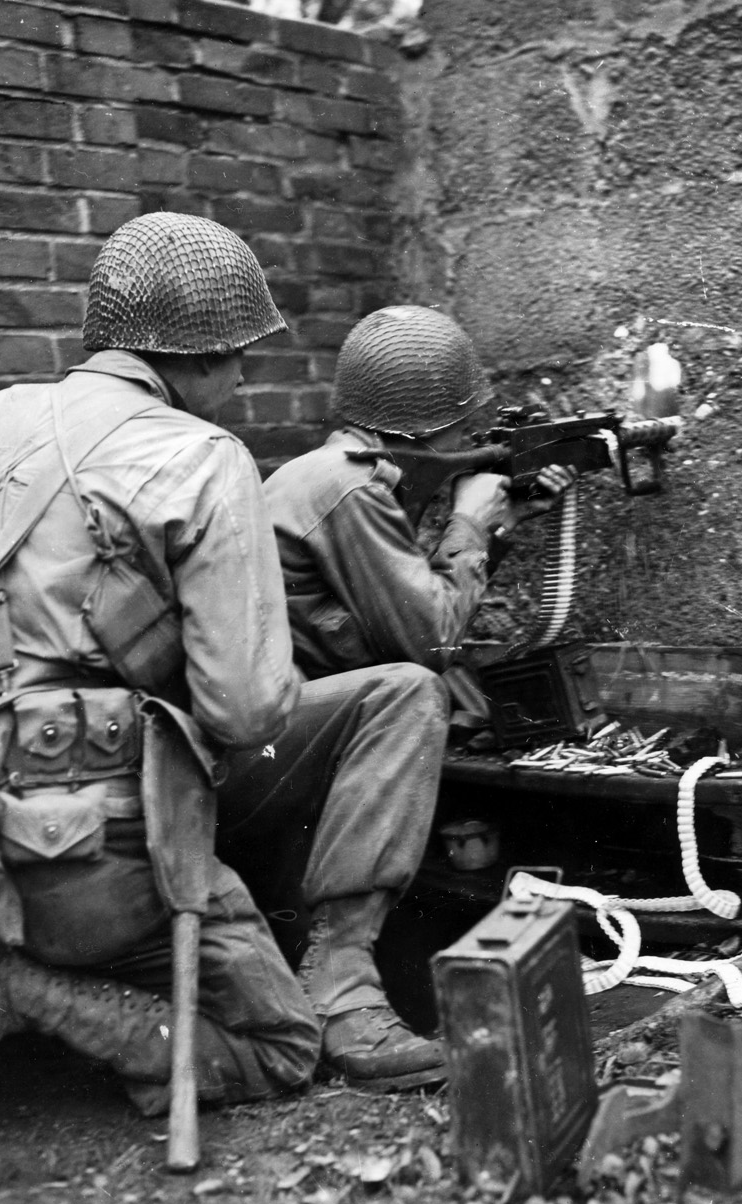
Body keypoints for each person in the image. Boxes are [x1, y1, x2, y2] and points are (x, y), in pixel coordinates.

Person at [0, 212, 320, 1140]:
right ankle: (11, 996)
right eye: (241, 358)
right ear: (203, 352)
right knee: (279, 1048)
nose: (240, 381)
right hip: (81, 863)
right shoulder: (201, 457)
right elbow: (247, 706)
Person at [217, 305, 572, 1092]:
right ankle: (341, 992)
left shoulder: (343, 478)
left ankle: (341, 965)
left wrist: (500, 525)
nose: (476, 443)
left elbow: (391, 612)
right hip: (248, 760)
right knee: (416, 693)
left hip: (270, 741)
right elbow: (428, 643)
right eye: (466, 431)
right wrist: (470, 524)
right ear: (428, 431)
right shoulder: (349, 491)